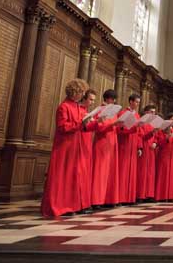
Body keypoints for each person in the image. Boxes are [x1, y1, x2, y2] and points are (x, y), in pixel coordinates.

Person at [41, 79, 96, 216]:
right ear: (74, 92)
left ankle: (71, 205)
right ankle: (59, 206)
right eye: (81, 92)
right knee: (61, 176)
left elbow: (83, 128)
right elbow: (62, 127)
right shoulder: (63, 107)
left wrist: (94, 122)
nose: (82, 95)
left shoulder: (77, 107)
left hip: (74, 147)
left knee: (72, 177)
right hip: (64, 147)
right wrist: (81, 122)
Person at [91, 89, 120, 208]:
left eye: (114, 100)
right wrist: (111, 125)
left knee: (110, 172)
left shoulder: (114, 113)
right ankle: (97, 200)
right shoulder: (100, 110)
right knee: (100, 172)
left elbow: (115, 127)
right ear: (107, 99)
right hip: (102, 143)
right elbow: (98, 127)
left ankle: (108, 199)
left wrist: (120, 125)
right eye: (112, 99)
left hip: (112, 143)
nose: (113, 102)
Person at [116, 94, 141, 205]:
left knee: (132, 172)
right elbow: (119, 130)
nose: (137, 104)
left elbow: (139, 133)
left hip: (133, 145)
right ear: (130, 101)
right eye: (136, 102)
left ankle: (130, 197)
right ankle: (121, 198)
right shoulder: (123, 113)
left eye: (138, 102)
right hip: (124, 145)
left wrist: (139, 147)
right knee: (123, 171)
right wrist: (132, 129)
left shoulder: (137, 115)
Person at [154, 113, 173, 201]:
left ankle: (171, 195)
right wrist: (166, 138)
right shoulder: (161, 130)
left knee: (172, 175)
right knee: (164, 175)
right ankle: (162, 196)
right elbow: (159, 142)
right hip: (164, 154)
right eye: (172, 119)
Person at [78, 89, 97, 212]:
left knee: (85, 174)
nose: (92, 102)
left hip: (86, 145)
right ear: (83, 98)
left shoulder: (85, 111)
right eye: (90, 99)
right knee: (80, 174)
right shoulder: (79, 110)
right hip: (78, 145)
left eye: (93, 100)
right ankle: (79, 203)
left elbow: (88, 128)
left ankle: (83, 203)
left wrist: (96, 122)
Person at [136, 104, 158, 202]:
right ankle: (141, 195)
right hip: (144, 148)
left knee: (150, 172)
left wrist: (155, 142)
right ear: (146, 112)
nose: (153, 114)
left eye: (154, 112)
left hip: (151, 150)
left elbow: (156, 137)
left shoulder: (153, 123)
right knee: (143, 172)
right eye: (151, 112)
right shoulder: (142, 122)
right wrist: (151, 133)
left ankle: (149, 194)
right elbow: (141, 136)